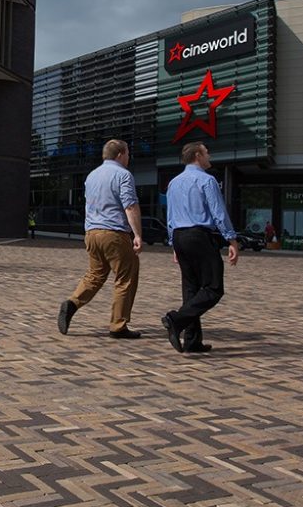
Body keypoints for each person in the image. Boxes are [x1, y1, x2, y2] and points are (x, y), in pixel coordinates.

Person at [58, 139, 143, 339]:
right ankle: (118, 325)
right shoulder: (123, 174)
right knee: (126, 277)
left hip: (92, 233)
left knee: (95, 275)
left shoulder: (92, 175)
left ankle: (72, 303)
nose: (129, 157)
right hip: (113, 233)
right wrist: (137, 234)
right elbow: (130, 206)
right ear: (121, 154)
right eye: (128, 153)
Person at [161, 142, 239, 354]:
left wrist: (173, 244)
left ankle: (192, 341)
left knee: (191, 288)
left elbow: (170, 217)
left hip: (179, 236)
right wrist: (231, 239)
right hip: (198, 235)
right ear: (198, 155)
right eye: (207, 152)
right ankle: (176, 320)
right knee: (213, 288)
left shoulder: (174, 183)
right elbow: (218, 212)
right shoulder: (207, 180)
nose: (209, 155)